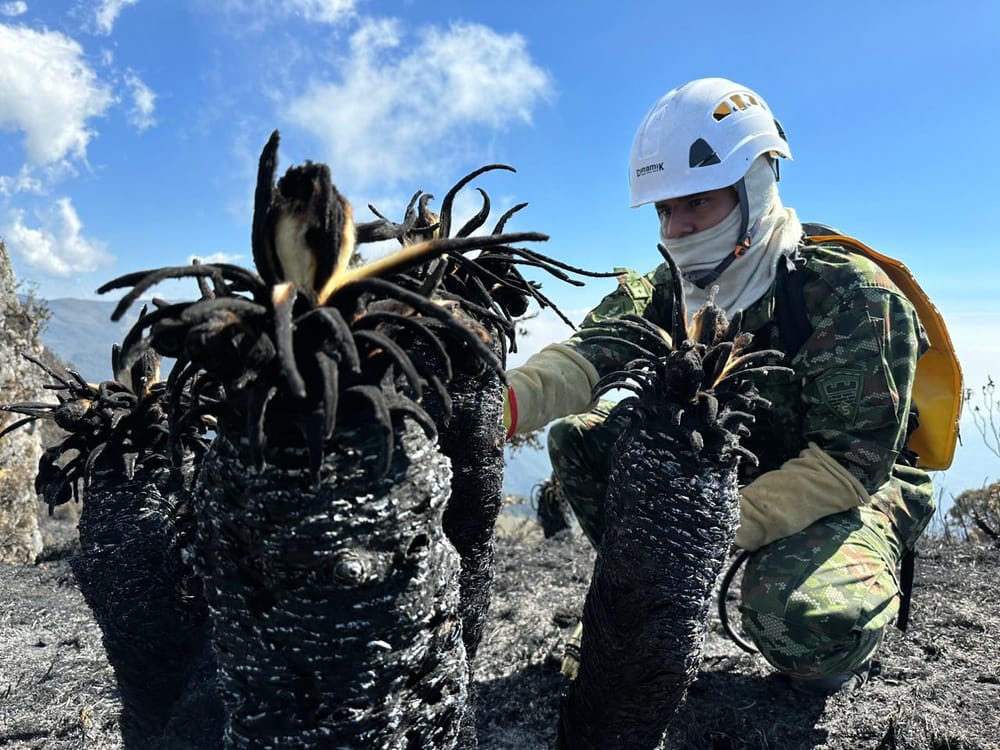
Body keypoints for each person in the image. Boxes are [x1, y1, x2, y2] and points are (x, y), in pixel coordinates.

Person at [503, 77, 936, 692]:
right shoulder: (670, 288)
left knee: (802, 621)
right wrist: (486, 410)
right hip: (740, 464)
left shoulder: (849, 295)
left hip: (855, 483)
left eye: (696, 202)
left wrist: (704, 532)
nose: (675, 229)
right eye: (664, 209)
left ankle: (836, 642)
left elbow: (850, 463)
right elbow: (580, 360)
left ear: (752, 189)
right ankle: (640, 609)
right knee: (584, 440)